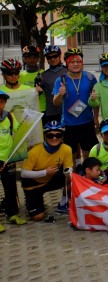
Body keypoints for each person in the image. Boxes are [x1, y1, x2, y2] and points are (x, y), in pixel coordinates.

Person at [52, 48, 98, 163]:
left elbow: (96, 101)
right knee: (70, 155)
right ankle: (73, 178)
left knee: (88, 153)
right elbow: (55, 103)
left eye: (78, 61)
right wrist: (60, 95)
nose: (76, 64)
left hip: (87, 122)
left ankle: (87, 177)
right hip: (69, 124)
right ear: (67, 63)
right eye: (72, 62)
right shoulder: (61, 80)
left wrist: (96, 117)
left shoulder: (90, 77)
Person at [21, 121, 73, 219]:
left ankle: (63, 204)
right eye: (50, 135)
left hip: (51, 179)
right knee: (38, 217)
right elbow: (23, 173)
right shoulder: (34, 151)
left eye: (58, 135)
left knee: (72, 177)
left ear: (62, 136)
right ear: (45, 136)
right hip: (33, 184)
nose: (54, 138)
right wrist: (45, 172)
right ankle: (32, 200)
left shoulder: (67, 149)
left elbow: (69, 168)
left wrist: (68, 172)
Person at [0, 90, 27, 229]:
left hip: (8, 159)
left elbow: (19, 129)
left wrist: (27, 122)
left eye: (2, 101)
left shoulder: (9, 117)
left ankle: (12, 215)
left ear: (4, 103)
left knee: (10, 188)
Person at [39, 45, 68, 125]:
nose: (52, 59)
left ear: (59, 56)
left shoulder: (68, 71)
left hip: (68, 110)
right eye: (49, 57)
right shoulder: (43, 75)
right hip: (52, 113)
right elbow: (37, 92)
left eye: (55, 56)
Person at [19, 46, 45, 113]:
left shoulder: (44, 73)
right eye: (29, 57)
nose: (32, 60)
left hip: (42, 108)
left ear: (38, 59)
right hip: (27, 109)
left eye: (35, 57)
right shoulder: (20, 76)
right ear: (24, 59)